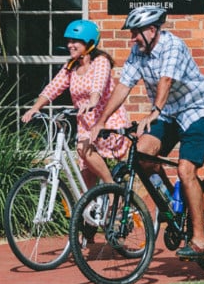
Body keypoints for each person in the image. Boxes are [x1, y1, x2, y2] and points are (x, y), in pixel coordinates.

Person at [96, 2, 204, 260]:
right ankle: (174, 208)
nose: (132, 38)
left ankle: (200, 238)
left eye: (136, 32)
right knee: (141, 155)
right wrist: (101, 121)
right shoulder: (138, 52)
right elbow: (123, 86)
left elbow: (166, 80)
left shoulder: (172, 46)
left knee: (186, 169)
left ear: (152, 30)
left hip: (198, 110)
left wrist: (154, 112)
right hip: (169, 113)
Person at [19, 18, 131, 192]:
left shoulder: (101, 61)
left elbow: (98, 84)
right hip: (85, 123)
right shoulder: (71, 66)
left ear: (89, 43)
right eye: (68, 41)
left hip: (106, 120)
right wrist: (35, 108)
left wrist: (93, 101)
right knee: (86, 175)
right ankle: (89, 216)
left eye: (75, 41)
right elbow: (53, 88)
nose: (70, 45)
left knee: (82, 148)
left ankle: (112, 190)